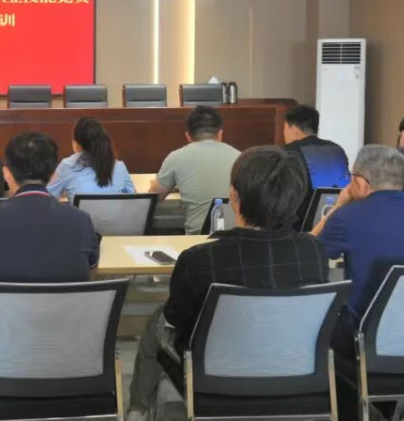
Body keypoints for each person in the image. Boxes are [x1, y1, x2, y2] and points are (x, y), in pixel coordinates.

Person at [127, 146, 330, 421]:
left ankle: (138, 411)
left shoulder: (201, 258)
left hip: (214, 380)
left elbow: (177, 320)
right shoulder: (314, 252)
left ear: (233, 196)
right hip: (295, 375)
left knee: (157, 320)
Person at [0, 132, 101, 386]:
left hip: (8, 341)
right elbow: (90, 274)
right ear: (53, 175)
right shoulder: (81, 220)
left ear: (6, 174)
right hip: (68, 338)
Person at [313, 145, 404, 358]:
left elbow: (306, 255)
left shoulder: (347, 217)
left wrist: (338, 206)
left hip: (364, 339)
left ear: (361, 183)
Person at [149, 106, 241, 234]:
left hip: (197, 238)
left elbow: (154, 197)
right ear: (220, 133)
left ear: (188, 136)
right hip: (237, 235)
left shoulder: (176, 157)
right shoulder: (240, 157)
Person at [48, 117, 136, 200]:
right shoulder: (119, 167)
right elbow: (135, 199)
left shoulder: (67, 166)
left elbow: (47, 197)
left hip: (80, 212)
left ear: (77, 143)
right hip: (114, 212)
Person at [283, 104, 351, 189]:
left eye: (284, 128)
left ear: (294, 129)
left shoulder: (289, 152)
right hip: (340, 197)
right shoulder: (337, 149)